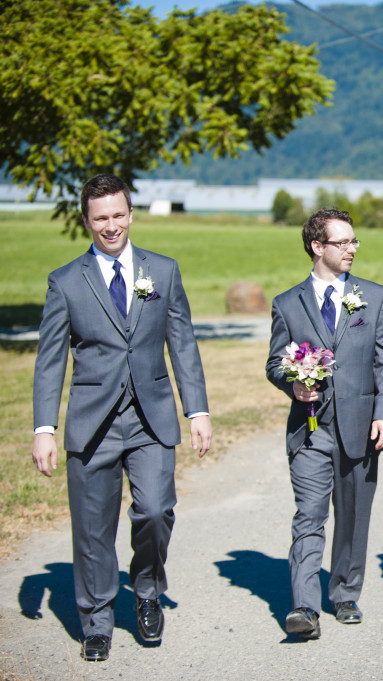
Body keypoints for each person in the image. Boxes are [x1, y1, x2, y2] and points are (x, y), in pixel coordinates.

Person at [31, 174, 212, 662]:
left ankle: (148, 592)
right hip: (92, 424)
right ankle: (96, 621)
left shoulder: (164, 271)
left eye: (117, 215)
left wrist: (197, 409)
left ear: (130, 215)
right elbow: (50, 360)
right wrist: (44, 428)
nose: (110, 225)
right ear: (86, 222)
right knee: (92, 528)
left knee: (155, 511)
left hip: (151, 418)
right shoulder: (66, 281)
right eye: (100, 218)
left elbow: (183, 344)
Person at [266, 208, 383, 640]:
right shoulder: (287, 304)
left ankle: (344, 591)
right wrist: (293, 385)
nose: (352, 249)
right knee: (309, 515)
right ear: (317, 246)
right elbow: (274, 363)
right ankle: (304, 606)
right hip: (309, 429)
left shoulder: (375, 297)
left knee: (353, 515)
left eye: (354, 241)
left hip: (361, 426)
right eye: (342, 242)